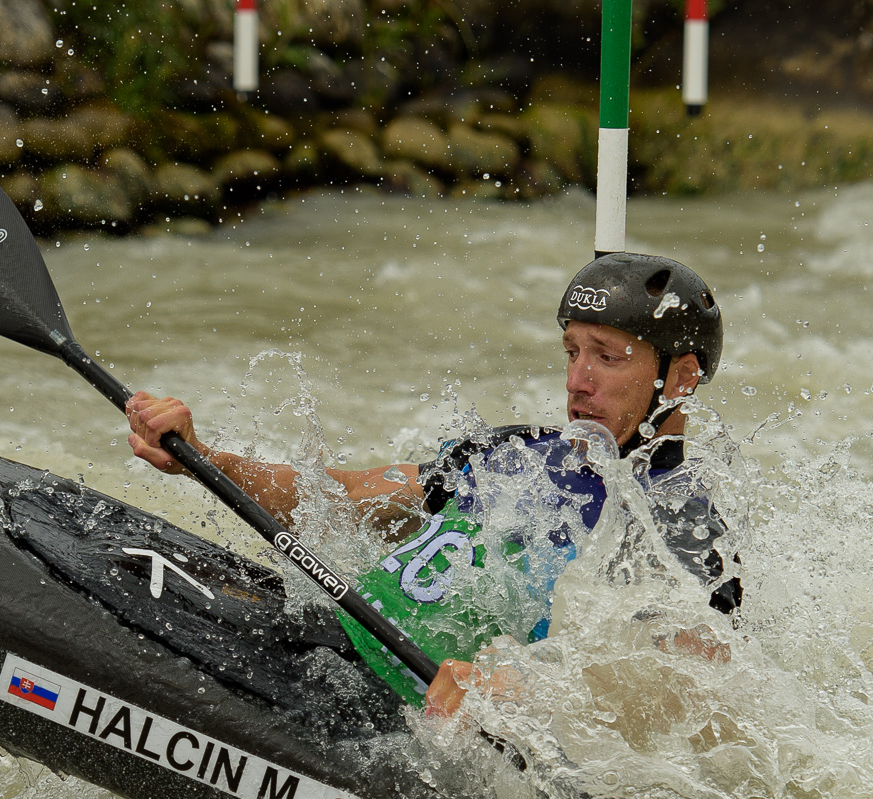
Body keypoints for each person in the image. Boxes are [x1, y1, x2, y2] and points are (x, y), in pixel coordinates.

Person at [124, 252, 739, 718]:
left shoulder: (683, 527)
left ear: (679, 379)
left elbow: (684, 685)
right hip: (327, 654)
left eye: (606, 357)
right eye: (572, 351)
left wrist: (517, 686)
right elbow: (342, 496)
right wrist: (207, 461)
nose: (577, 380)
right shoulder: (515, 453)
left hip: (412, 726)